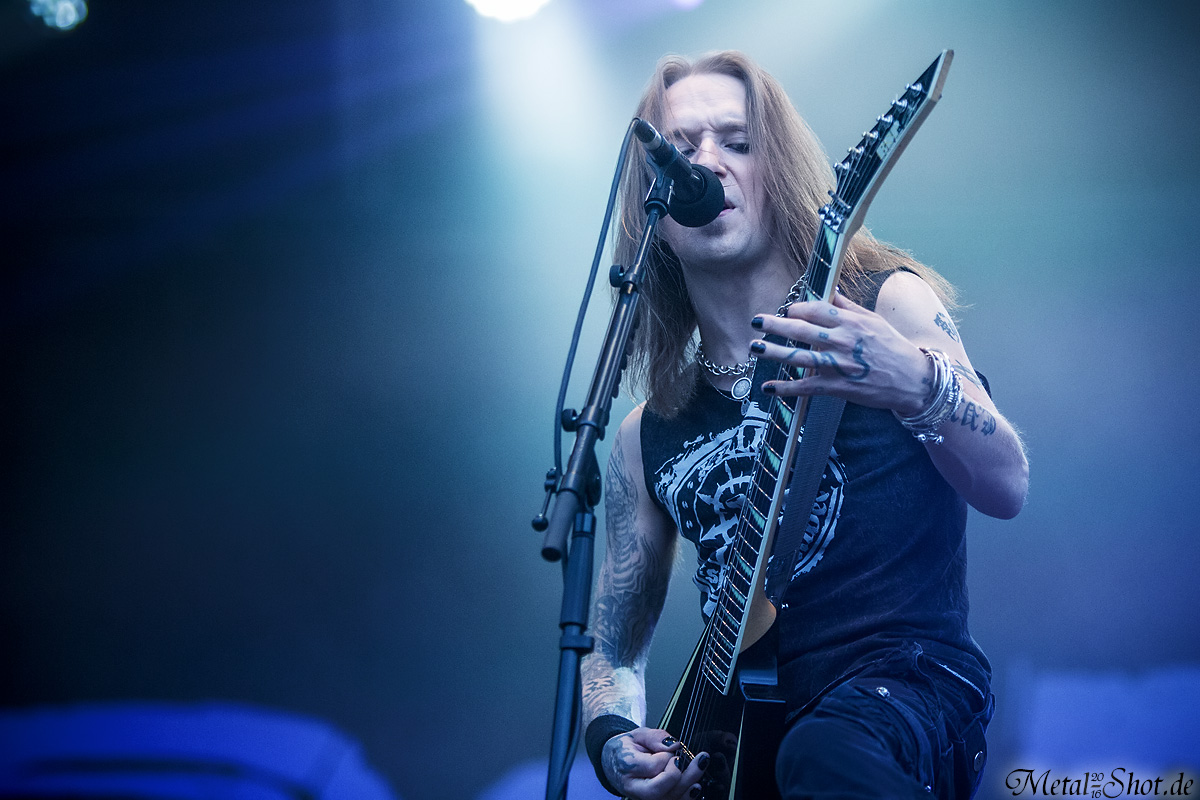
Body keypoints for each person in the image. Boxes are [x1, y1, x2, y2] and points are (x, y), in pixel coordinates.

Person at [579, 51, 1029, 800]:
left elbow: (1007, 482)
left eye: (737, 142)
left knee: (820, 755)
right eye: (680, 150)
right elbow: (614, 652)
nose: (706, 163)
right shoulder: (643, 435)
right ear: (654, 203)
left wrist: (914, 382)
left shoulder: (883, 308)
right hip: (738, 740)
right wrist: (612, 739)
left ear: (781, 170)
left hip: (902, 689)